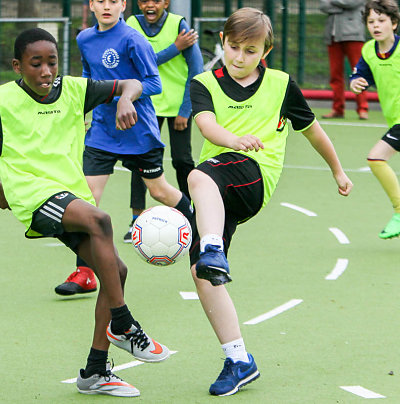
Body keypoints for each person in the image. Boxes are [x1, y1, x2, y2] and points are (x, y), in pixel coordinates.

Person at [0, 27, 170, 397]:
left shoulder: (74, 90)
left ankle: (95, 371)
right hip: (31, 196)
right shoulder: (3, 100)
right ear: (17, 66)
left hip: (68, 195)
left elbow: (133, 82)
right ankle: (123, 323)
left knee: (115, 271)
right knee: (101, 219)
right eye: (35, 64)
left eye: (51, 62)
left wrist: (125, 99)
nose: (45, 71)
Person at [187, 8, 353, 396]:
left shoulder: (281, 85)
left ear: (266, 50)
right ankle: (239, 359)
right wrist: (232, 139)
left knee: (198, 176)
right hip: (218, 185)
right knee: (201, 273)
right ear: (223, 43)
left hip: (255, 177)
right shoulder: (203, 82)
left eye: (250, 50)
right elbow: (206, 125)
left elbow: (313, 131)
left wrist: (338, 170)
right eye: (233, 47)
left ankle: (213, 248)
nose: (239, 57)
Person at [55, 0, 194, 293]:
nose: (107, 6)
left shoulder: (133, 39)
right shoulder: (84, 38)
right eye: (100, 1)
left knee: (159, 191)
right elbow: (88, 79)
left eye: (113, 1)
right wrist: (79, 111)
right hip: (102, 134)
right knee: (87, 200)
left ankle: (204, 235)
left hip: (138, 132)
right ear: (91, 5)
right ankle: (84, 273)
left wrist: (126, 97)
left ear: (123, 5)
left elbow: (154, 83)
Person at [122, 0, 203, 243]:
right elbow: (137, 64)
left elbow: (196, 69)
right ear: (138, 3)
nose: (150, 5)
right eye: (145, 0)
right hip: (145, 107)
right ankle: (136, 219)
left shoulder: (179, 25)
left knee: (182, 160)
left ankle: (194, 215)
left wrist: (185, 109)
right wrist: (175, 47)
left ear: (166, 2)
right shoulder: (132, 24)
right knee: (141, 162)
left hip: (178, 108)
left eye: (156, 0)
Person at [350, 0, 400, 238]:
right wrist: (355, 83)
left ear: (394, 23)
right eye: (371, 21)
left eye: (381, 20)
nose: (376, 25)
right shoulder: (369, 50)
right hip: (394, 120)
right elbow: (360, 75)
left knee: (376, 157)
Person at [319, 0, 369, 120]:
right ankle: (338, 109)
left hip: (354, 35)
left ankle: (363, 108)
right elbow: (323, 5)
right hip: (332, 36)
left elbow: (351, 3)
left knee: (359, 72)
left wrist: (334, 3)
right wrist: (342, 7)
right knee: (335, 75)